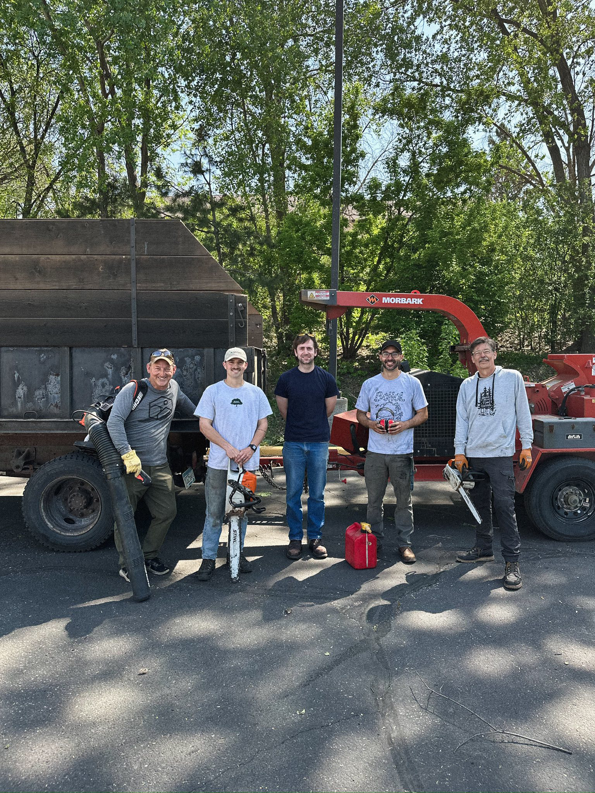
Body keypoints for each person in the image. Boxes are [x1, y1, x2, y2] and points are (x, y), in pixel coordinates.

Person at [107, 348, 196, 581]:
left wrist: (216, 421)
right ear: (149, 368)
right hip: (132, 467)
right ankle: (128, 564)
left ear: (174, 370)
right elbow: (114, 422)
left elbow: (193, 410)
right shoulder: (134, 390)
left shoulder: (174, 388)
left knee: (167, 512)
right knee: (126, 516)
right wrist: (127, 454)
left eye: (167, 368)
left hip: (159, 465)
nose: (162, 372)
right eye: (158, 367)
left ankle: (149, 556)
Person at [454, 336, 533, 590]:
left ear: (495, 354)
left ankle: (512, 563)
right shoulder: (467, 385)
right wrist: (460, 452)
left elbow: (523, 411)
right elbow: (462, 420)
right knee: (479, 506)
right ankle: (483, 548)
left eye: (486, 351)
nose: (482, 356)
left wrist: (527, 446)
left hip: (500, 454)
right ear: (472, 359)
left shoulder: (512, 378)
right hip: (475, 455)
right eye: (477, 353)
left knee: (504, 507)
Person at [195, 347, 272, 581]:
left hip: (246, 465)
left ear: (246, 366)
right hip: (220, 463)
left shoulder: (256, 393)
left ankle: (236, 553)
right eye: (232, 362)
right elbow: (204, 425)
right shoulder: (213, 391)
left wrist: (251, 448)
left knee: (241, 512)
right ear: (225, 365)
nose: (236, 366)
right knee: (215, 513)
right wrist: (227, 447)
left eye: (240, 362)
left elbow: (263, 425)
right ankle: (208, 558)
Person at [355, 339, 428, 563]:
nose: (389, 358)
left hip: (402, 451)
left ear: (400, 357)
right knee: (374, 500)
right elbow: (360, 414)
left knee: (403, 501)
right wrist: (370, 424)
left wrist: (404, 424)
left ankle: (404, 544)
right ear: (379, 357)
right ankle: (374, 541)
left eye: (394, 354)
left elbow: (423, 414)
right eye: (385, 354)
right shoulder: (370, 384)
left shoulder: (412, 383)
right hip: (375, 451)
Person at [275, 333, 340, 560]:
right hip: (293, 442)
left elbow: (328, 410)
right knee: (293, 493)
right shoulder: (286, 379)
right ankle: (294, 538)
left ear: (315, 352)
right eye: (301, 348)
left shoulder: (326, 379)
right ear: (296, 352)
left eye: (309, 348)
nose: (305, 352)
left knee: (317, 494)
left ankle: (315, 537)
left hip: (319, 442)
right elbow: (285, 411)